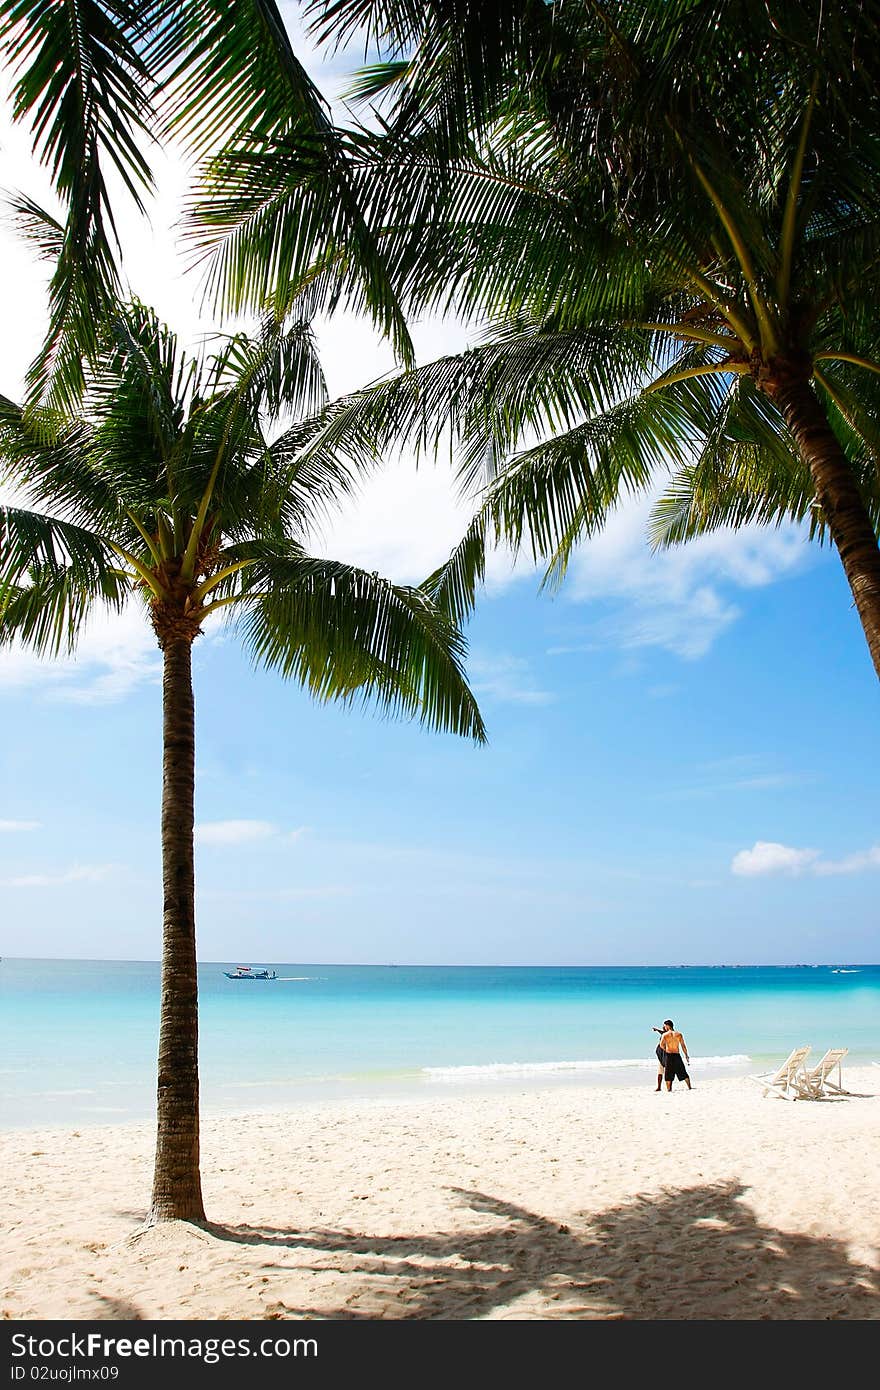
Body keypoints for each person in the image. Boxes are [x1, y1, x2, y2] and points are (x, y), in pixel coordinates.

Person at [659, 1019, 691, 1091]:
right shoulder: (679, 1034)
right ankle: (689, 1087)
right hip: (677, 1055)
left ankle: (669, 1089)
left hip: (669, 1055)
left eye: (665, 1026)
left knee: (668, 1073)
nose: (664, 1028)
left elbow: (661, 1045)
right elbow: (683, 1046)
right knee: (682, 1071)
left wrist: (666, 1049)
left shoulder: (665, 1035)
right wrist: (686, 1055)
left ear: (667, 1026)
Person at [651, 1024, 667, 1092]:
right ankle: (659, 1087)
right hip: (661, 1056)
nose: (663, 1027)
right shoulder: (663, 1034)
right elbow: (662, 1032)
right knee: (660, 1072)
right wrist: (657, 1030)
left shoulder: (669, 1034)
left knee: (668, 1072)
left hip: (666, 1055)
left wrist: (657, 1030)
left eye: (664, 1026)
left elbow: (663, 1032)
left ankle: (667, 1086)